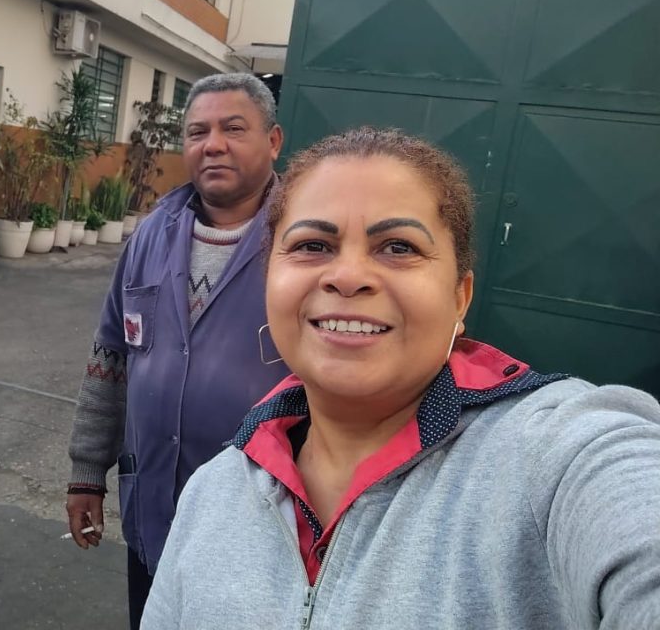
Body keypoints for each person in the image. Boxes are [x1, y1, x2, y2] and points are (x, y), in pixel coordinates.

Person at [142, 127, 660, 629]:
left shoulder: (552, 460)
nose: (347, 277)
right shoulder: (213, 492)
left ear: (460, 297)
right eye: (313, 246)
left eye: (398, 247)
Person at [65, 72, 291, 628]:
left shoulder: (306, 241)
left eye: (233, 129)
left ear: (273, 141)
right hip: (153, 517)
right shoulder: (151, 236)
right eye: (197, 132)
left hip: (262, 535)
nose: (213, 145)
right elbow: (110, 358)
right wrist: (87, 473)